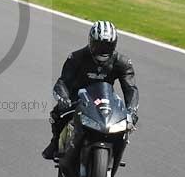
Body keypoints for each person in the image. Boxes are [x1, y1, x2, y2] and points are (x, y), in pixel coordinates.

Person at [42, 21, 139, 163]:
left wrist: (131, 111)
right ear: (91, 41)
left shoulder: (122, 62)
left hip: (105, 101)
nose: (103, 50)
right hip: (78, 100)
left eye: (107, 46)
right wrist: (64, 99)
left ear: (114, 45)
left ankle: (115, 153)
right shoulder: (76, 57)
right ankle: (55, 142)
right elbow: (63, 81)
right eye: (99, 45)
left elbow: (131, 89)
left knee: (125, 125)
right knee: (58, 114)